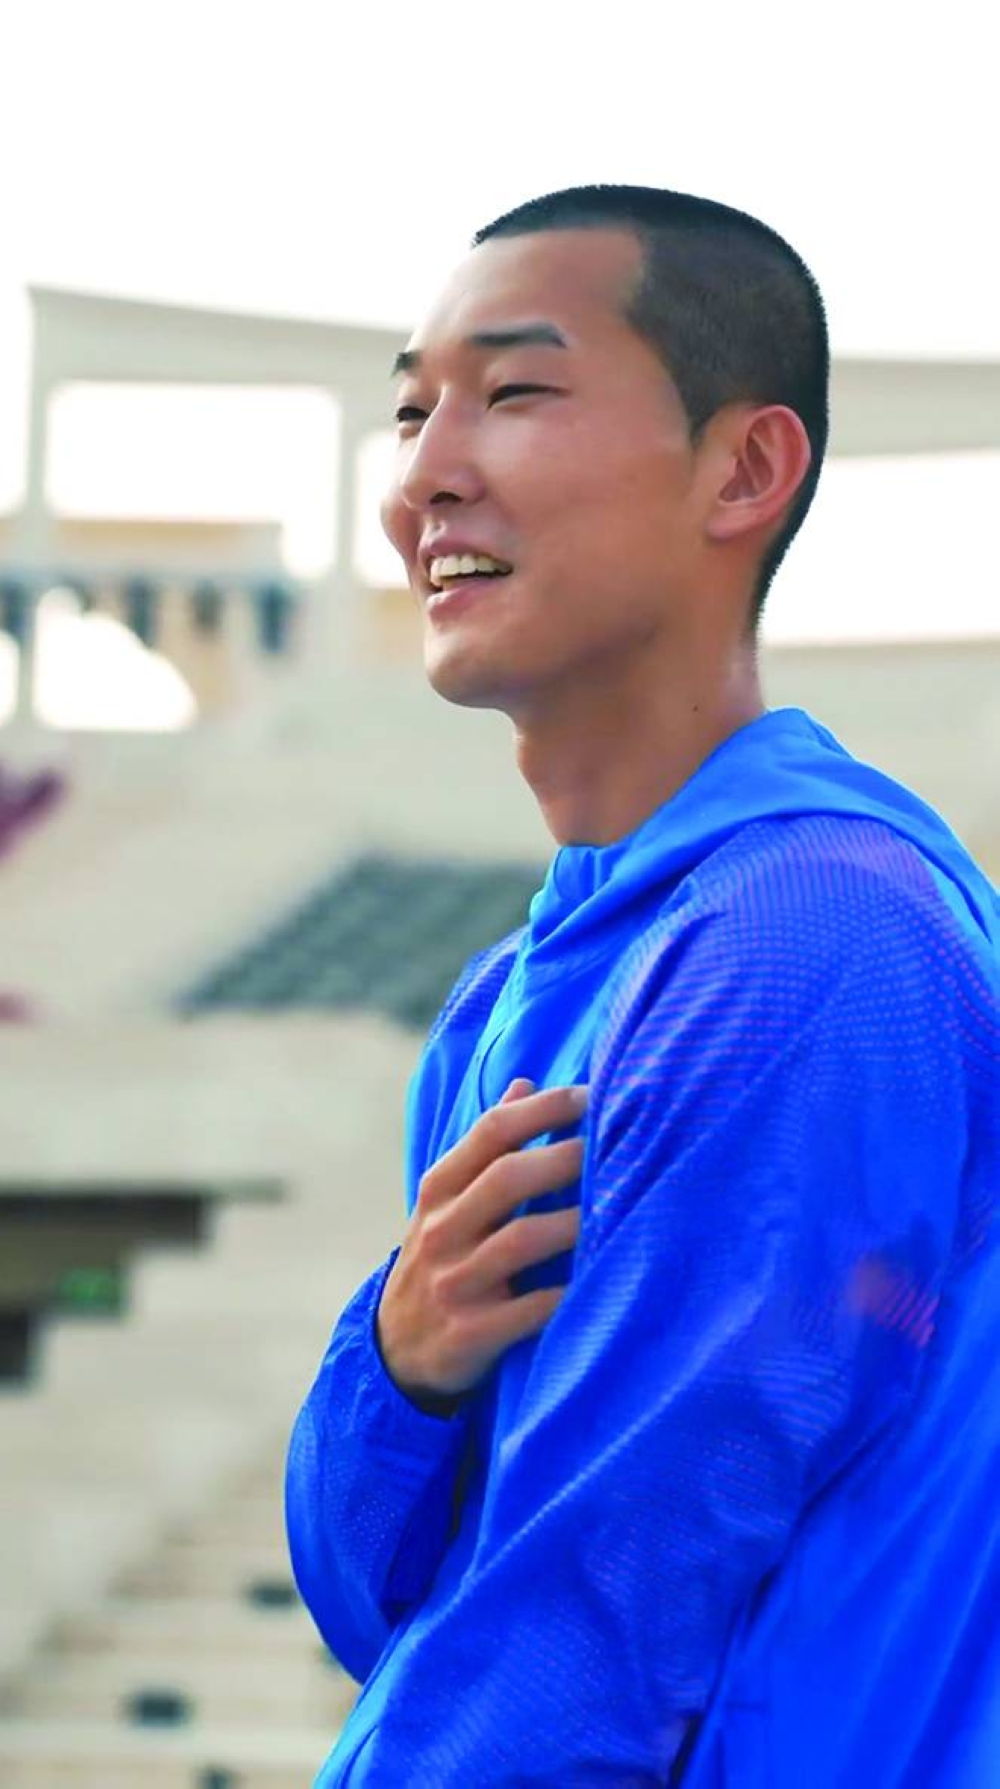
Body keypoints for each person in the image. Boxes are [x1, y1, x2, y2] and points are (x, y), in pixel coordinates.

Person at [284, 183, 1000, 1785]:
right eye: (414, 409)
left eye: (517, 393)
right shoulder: (511, 996)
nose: (424, 475)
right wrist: (399, 1360)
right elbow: (380, 1600)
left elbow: (595, 1623)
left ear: (743, 468)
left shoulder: (813, 937)